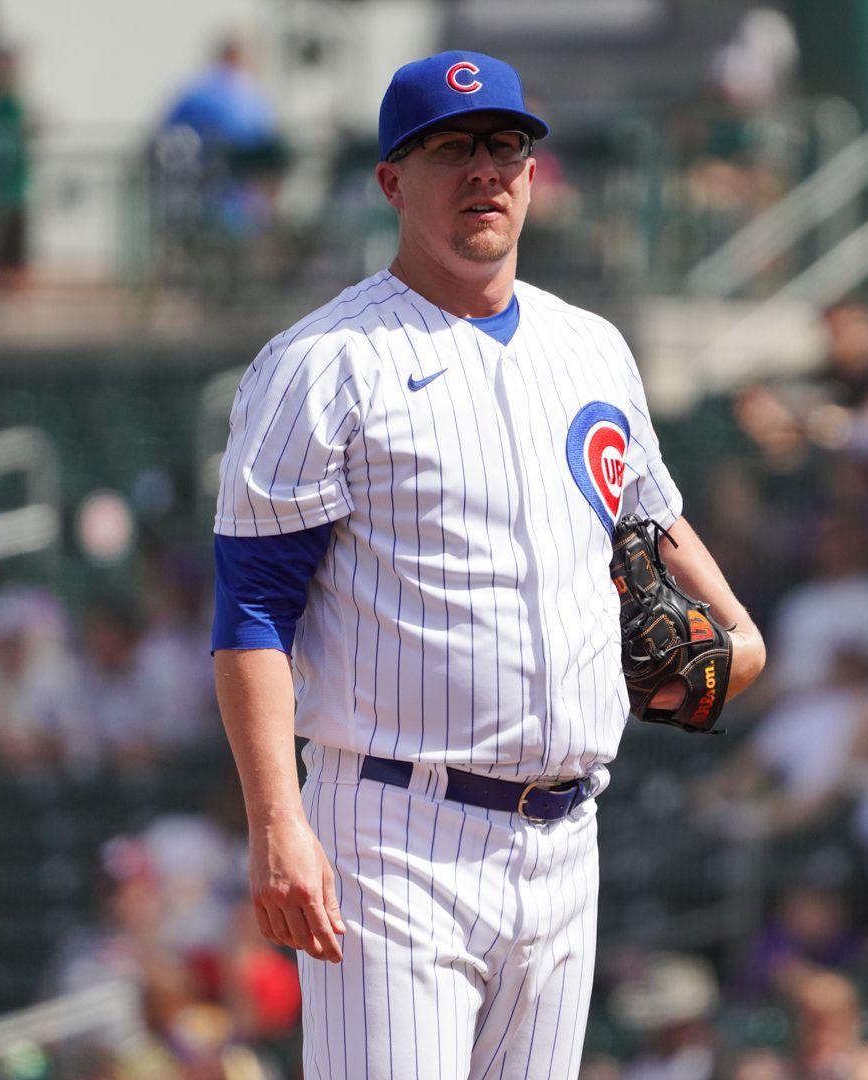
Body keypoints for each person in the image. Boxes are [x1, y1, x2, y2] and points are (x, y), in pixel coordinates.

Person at [210, 50, 765, 1080]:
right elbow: (251, 614)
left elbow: (646, 512)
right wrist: (276, 822)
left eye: (505, 147)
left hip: (566, 832)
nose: (484, 172)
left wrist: (737, 621)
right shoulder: (322, 365)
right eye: (451, 149)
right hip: (391, 834)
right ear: (391, 180)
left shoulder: (591, 346)